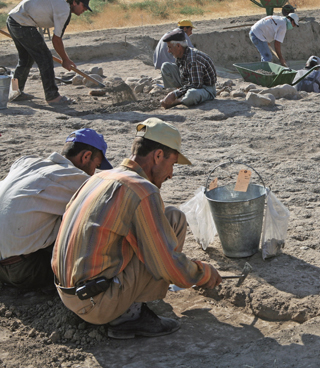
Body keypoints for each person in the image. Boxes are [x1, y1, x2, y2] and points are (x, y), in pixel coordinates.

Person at [52, 118, 222, 339]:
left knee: (173, 218)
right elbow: (167, 263)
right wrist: (203, 273)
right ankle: (127, 317)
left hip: (69, 293)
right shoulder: (142, 189)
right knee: (160, 252)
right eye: (172, 164)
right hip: (97, 303)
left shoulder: (99, 177)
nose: (171, 174)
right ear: (158, 156)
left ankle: (122, 304)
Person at [0, 129, 112, 290]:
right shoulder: (77, 179)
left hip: (8, 265)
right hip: (21, 271)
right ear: (86, 156)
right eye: (96, 165)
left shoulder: (25, 162)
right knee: (86, 219)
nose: (95, 171)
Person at [6, 0, 92, 105]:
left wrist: (65, 59)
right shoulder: (64, 9)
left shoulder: (61, 4)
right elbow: (56, 39)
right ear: (74, 2)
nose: (85, 9)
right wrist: (65, 59)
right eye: (84, 6)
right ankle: (52, 96)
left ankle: (15, 92)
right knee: (45, 59)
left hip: (13, 20)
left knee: (25, 59)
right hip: (23, 23)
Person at [159, 29, 217, 109]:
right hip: (189, 82)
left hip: (205, 88)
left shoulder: (193, 59)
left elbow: (196, 85)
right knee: (166, 67)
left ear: (178, 46)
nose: (168, 51)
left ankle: (178, 101)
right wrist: (178, 91)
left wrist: (174, 94)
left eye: (170, 47)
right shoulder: (181, 54)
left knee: (192, 95)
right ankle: (182, 93)